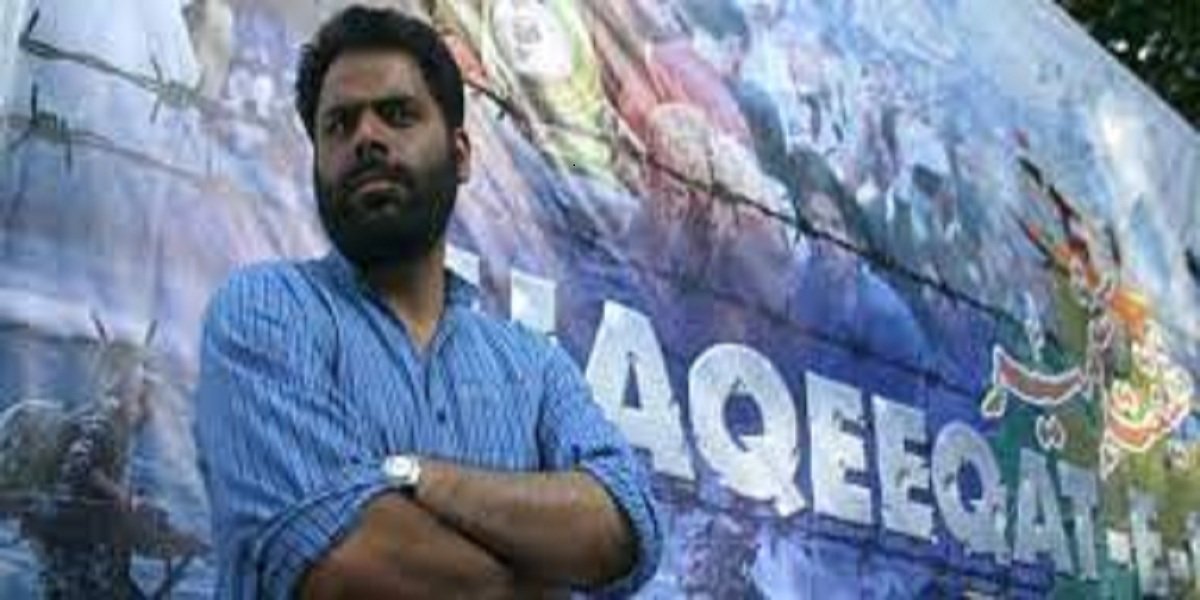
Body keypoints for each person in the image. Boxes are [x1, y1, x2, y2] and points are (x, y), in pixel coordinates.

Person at [192, 6, 662, 599]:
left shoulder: (535, 366)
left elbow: (623, 526)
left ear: (461, 154)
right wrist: (539, 572)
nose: (366, 138)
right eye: (339, 125)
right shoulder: (265, 310)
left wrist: (415, 476)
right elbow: (351, 564)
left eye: (397, 114)